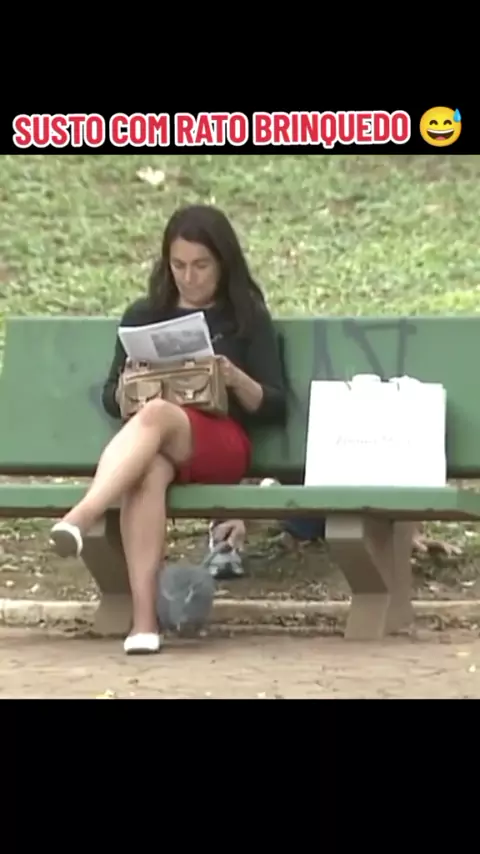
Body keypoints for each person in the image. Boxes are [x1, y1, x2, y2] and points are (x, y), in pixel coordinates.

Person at [48, 204, 287, 654]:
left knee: (157, 414)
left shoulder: (245, 317)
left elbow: (275, 406)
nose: (189, 277)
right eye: (179, 265)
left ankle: (82, 515)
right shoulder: (143, 314)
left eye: (201, 265)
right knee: (150, 470)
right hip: (157, 444)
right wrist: (129, 384)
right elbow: (111, 398)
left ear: (223, 263)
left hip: (222, 445)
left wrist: (234, 378)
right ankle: (144, 625)